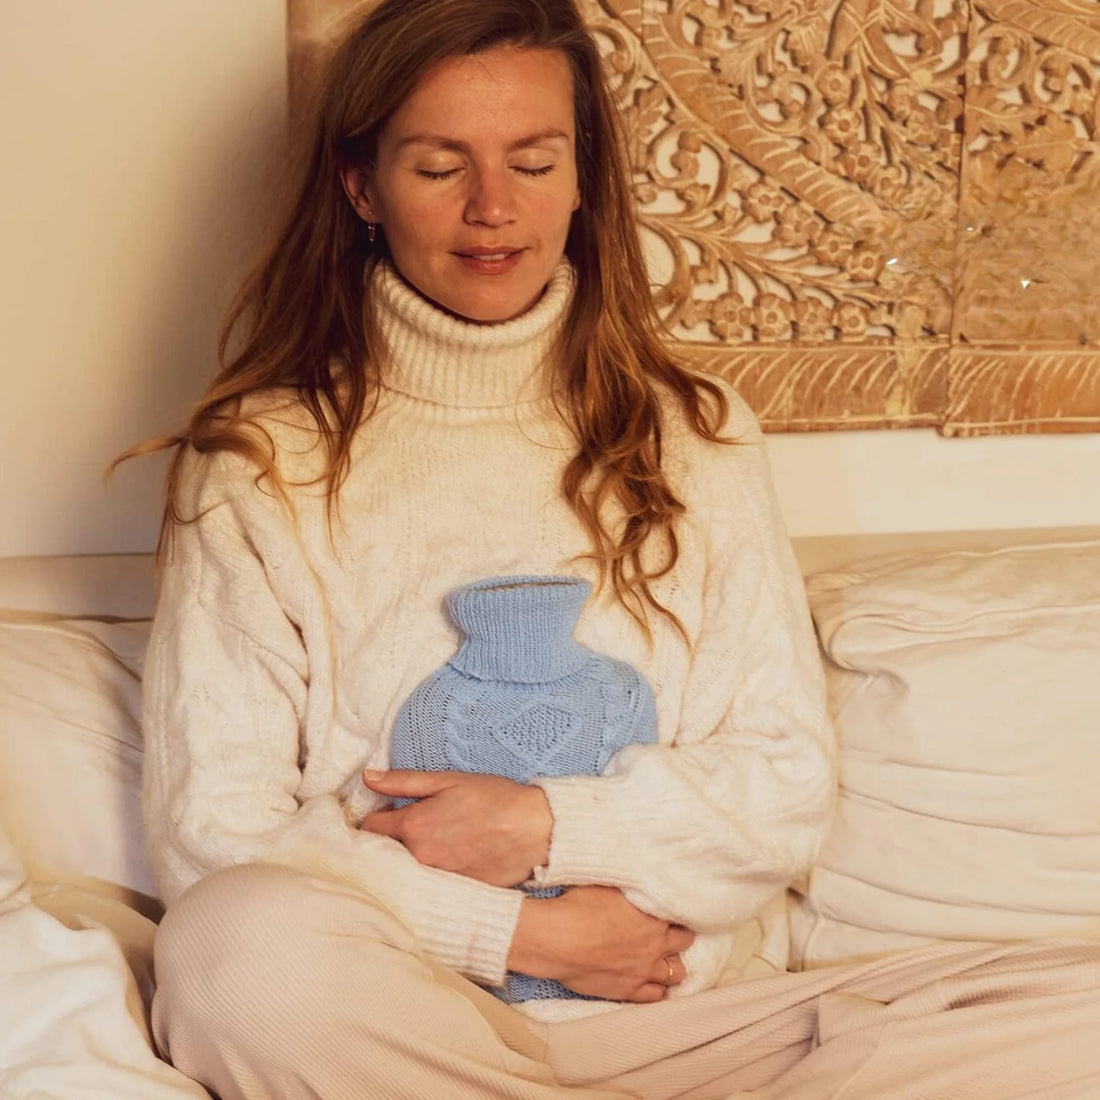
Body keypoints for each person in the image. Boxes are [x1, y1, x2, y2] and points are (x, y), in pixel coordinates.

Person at [132, 1, 1100, 1097]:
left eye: (533, 161)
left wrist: (546, 823)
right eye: (440, 165)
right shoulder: (263, 462)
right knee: (230, 954)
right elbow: (221, 839)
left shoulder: (696, 434)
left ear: (583, 175)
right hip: (400, 1021)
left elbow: (781, 783)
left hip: (691, 1025)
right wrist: (517, 935)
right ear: (361, 187)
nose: (493, 208)